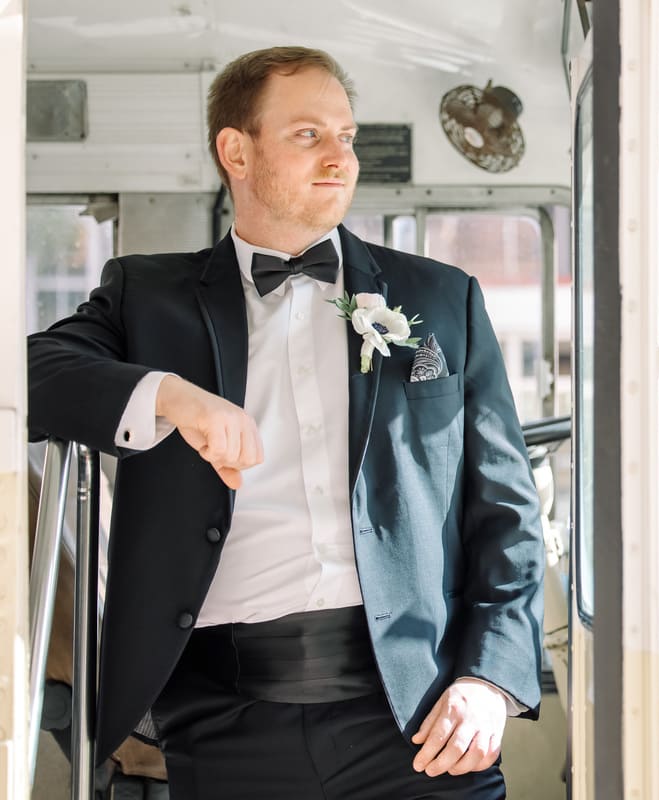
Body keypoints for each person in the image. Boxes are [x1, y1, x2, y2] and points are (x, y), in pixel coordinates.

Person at [27, 46, 544, 799]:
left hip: (422, 717)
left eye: (347, 135)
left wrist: (492, 680)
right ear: (236, 151)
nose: (341, 157)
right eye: (309, 135)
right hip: (223, 720)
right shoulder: (148, 297)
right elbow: (33, 375)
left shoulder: (442, 299)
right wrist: (175, 396)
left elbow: (507, 513)